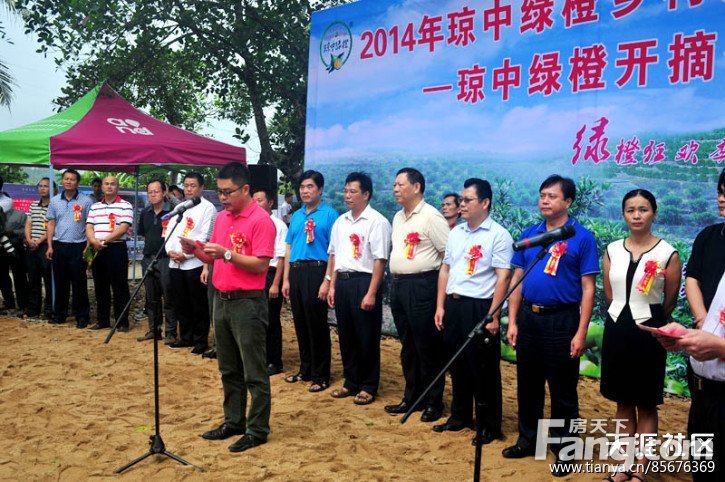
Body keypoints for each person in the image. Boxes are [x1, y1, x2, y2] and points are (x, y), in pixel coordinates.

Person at [503, 175, 599, 477]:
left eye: (552, 196)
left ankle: (565, 449)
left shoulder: (581, 237)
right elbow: (517, 279)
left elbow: (588, 288)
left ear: (568, 202)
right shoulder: (530, 235)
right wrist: (514, 320)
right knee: (527, 384)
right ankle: (528, 440)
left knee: (563, 390)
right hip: (530, 318)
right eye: (542, 195)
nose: (545, 200)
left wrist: (581, 331)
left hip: (563, 319)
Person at [181, 162, 276, 453]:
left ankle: (257, 429)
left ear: (245, 189)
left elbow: (261, 264)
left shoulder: (261, 221)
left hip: (248, 303)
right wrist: (196, 250)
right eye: (219, 192)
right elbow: (215, 258)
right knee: (227, 367)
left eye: (227, 192)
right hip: (221, 300)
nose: (222, 198)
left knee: (254, 370)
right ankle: (233, 420)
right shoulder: (222, 219)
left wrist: (228, 254)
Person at [599, 190, 680, 482]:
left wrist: (653, 317)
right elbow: (609, 294)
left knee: (645, 402)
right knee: (622, 402)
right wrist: (622, 313)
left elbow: (669, 299)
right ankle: (623, 464)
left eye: (643, 209)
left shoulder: (667, 253)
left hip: (650, 331)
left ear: (654, 213)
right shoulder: (611, 250)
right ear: (623, 214)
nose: (636, 215)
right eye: (630, 210)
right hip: (618, 328)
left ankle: (641, 468)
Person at [655, 167, 725, 482]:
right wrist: (698, 326)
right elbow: (693, 278)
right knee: (702, 463)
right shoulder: (710, 236)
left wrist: (720, 345)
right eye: (721, 191)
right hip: (704, 384)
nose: (722, 199)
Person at [434, 178, 512, 442]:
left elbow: (503, 278)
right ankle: (460, 416)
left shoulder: (498, 235)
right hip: (453, 304)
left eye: (467, 200)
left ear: (485, 202)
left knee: (483, 368)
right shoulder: (456, 232)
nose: (461, 204)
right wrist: (440, 305)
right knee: (456, 363)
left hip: (480, 306)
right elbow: (446, 268)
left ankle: (489, 425)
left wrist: (493, 315)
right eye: (461, 199)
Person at [385, 167, 450, 423]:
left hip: (423, 285)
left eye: (400, 184)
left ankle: (434, 401)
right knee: (408, 345)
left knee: (427, 346)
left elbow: (449, 254)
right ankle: (412, 397)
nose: (395, 189)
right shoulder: (398, 217)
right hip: (399, 286)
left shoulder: (431, 217)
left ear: (417, 187)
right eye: (394, 185)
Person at [327, 172, 391, 406]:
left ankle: (368, 385)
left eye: (353, 191)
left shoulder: (377, 221)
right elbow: (334, 255)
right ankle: (350, 381)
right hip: (342, 281)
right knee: (346, 335)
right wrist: (332, 285)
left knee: (366, 336)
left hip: (364, 281)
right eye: (345, 191)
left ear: (366, 194)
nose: (347, 196)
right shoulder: (341, 221)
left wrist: (372, 292)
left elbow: (380, 260)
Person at [282, 170, 338, 392]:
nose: (305, 191)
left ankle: (321, 374)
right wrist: (286, 279)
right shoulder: (296, 216)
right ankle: (305, 369)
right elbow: (288, 248)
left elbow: (334, 251)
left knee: (317, 323)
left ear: (320, 189)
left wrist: (327, 279)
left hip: (317, 270)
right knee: (301, 323)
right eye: (302, 187)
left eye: (310, 187)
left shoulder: (330, 215)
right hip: (295, 271)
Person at [165, 172, 216, 354]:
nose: (189, 189)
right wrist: (170, 251)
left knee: (198, 303)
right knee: (180, 302)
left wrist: (186, 255)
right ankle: (185, 337)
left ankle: (200, 340)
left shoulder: (208, 208)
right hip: (175, 263)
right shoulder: (181, 207)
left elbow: (205, 237)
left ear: (201, 188)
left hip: (194, 263)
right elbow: (170, 231)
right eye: (186, 185)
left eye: (193, 185)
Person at [46, 169, 93, 327]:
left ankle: (82, 316)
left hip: (78, 246)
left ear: (77, 183)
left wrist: (88, 246)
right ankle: (60, 314)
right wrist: (50, 246)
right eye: (66, 179)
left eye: (72, 179)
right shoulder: (54, 201)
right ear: (62, 181)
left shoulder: (86, 201)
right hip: (59, 245)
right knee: (60, 282)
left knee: (79, 283)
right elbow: (51, 223)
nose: (68, 182)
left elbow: (89, 225)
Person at [85, 176, 133, 332]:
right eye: (106, 184)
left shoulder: (125, 205)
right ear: (102, 187)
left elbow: (123, 228)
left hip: (116, 249)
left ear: (117, 187)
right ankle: (103, 320)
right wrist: (93, 241)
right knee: (100, 286)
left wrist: (103, 240)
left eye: (113, 184)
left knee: (120, 287)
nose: (109, 186)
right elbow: (89, 227)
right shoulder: (95, 206)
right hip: (98, 249)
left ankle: (122, 322)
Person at [252, 188, 288, 375]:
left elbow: (281, 256)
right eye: (253, 199)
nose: (255, 203)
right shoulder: (251, 222)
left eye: (259, 200)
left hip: (271, 274)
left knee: (271, 319)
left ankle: (274, 361)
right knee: (255, 319)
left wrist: (276, 283)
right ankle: (259, 358)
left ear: (270, 203)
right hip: (253, 273)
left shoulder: (278, 225)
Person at [136, 179, 176, 343]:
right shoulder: (145, 212)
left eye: (156, 191)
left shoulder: (173, 212)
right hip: (148, 258)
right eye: (150, 192)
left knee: (169, 297)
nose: (153, 195)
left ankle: (171, 332)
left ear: (164, 192)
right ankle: (154, 329)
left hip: (166, 259)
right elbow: (143, 233)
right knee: (151, 298)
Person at [24, 178, 53, 319]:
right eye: (40, 186)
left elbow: (53, 228)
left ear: (53, 189)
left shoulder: (55, 206)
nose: (42, 189)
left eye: (46, 186)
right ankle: (33, 310)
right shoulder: (33, 205)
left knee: (48, 280)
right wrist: (29, 240)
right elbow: (28, 223)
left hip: (46, 246)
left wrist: (39, 241)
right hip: (31, 246)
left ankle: (48, 310)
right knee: (33, 279)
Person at [0, 199, 28, 313]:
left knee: (20, 276)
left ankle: (23, 304)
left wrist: (13, 232)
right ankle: (9, 303)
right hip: (1, 250)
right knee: (2, 277)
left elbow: (25, 230)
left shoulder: (20, 215)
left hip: (16, 247)